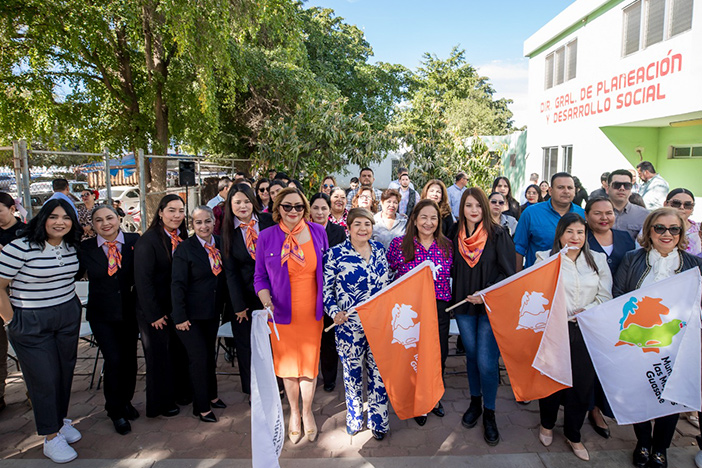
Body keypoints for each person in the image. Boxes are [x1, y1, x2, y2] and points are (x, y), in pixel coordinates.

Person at [614, 208, 702, 468]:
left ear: (681, 232)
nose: (667, 234)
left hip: (677, 343)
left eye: (674, 229)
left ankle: (661, 448)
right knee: (637, 392)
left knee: (671, 396)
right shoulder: (632, 258)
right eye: (660, 228)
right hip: (638, 344)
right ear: (649, 231)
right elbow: (618, 294)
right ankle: (642, 442)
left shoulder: (694, 264)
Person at [0, 199, 83, 463]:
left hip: (66, 315)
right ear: (42, 218)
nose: (60, 222)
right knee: (43, 379)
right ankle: (49, 436)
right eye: (54, 216)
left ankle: (59, 422)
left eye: (66, 217)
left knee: (64, 372)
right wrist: (10, 320)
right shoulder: (20, 247)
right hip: (30, 320)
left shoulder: (71, 247)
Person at [254, 187, 329, 444]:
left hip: (312, 312)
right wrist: (266, 301)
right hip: (281, 313)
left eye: (298, 206)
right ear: (278, 209)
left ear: (305, 208)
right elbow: (259, 277)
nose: (293, 211)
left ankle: (308, 413)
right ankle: (294, 414)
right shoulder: (265, 237)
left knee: (308, 367)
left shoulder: (319, 232)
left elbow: (327, 271)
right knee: (288, 369)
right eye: (287, 206)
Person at [537, 213, 612, 462]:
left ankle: (573, 433)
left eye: (580, 232)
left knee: (581, 385)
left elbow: (605, 296)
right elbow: (536, 293)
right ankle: (546, 424)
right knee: (551, 381)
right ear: (560, 234)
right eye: (570, 232)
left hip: (587, 330)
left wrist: (586, 312)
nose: (575, 237)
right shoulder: (545, 259)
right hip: (554, 330)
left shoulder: (597, 260)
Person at [451, 188, 516, 446]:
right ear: (462, 208)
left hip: (490, 307)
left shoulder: (499, 235)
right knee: (472, 356)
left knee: (488, 362)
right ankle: (474, 403)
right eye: (469, 205)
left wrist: (486, 293)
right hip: (464, 307)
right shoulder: (454, 235)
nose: (474, 210)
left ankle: (490, 412)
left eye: (479, 205)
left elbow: (508, 273)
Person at [323, 208, 392, 440]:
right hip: (348, 327)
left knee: (379, 373)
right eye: (358, 224)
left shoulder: (380, 250)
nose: (363, 229)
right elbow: (326, 292)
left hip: (379, 324)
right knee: (352, 375)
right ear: (348, 228)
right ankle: (354, 418)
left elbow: (390, 282)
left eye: (368, 224)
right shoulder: (335, 254)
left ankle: (379, 421)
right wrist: (334, 312)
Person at [387, 199, 453, 426]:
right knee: (413, 355)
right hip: (409, 311)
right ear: (414, 219)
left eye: (433, 218)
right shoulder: (399, 245)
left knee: (437, 354)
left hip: (438, 308)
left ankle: (434, 397)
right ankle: (417, 400)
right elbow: (388, 275)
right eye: (424, 217)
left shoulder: (446, 245)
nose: (429, 222)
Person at [77, 204, 140, 435]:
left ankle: (126, 401)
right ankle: (114, 410)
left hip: (129, 312)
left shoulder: (134, 241)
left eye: (109, 218)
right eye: (99, 220)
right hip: (102, 314)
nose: (105, 223)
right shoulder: (86, 248)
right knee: (113, 360)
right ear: (93, 225)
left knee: (129, 359)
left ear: (118, 219)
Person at [134, 194, 191, 419]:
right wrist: (154, 314)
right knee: (159, 357)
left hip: (174, 308)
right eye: (171, 210)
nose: (177, 215)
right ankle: (161, 403)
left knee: (177, 353)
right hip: (154, 310)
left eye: (180, 211)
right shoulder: (148, 242)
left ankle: (180, 393)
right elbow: (143, 281)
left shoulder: (181, 237)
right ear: (160, 212)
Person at [583, 197, 635, 438]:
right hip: (589, 308)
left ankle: (602, 406)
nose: (604, 217)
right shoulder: (580, 236)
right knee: (589, 363)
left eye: (609, 213)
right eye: (597, 213)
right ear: (587, 216)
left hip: (622, 309)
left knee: (610, 360)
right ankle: (589, 407)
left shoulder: (625, 238)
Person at [171, 206, 227, 423]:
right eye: (198, 222)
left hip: (211, 313)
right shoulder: (185, 249)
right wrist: (180, 316)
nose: (203, 226)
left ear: (214, 222)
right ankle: (201, 406)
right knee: (199, 359)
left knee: (209, 357)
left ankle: (212, 396)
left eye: (207, 221)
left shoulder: (220, 244)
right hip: (190, 316)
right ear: (191, 225)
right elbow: (177, 285)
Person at [221, 184, 275, 399]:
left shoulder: (269, 221)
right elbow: (230, 273)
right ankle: (252, 389)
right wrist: (238, 306)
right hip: (243, 297)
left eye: (246, 201)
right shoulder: (226, 231)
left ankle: (274, 385)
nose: (242, 206)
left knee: (271, 343)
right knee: (246, 346)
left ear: (253, 201)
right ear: (230, 205)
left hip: (272, 294)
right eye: (237, 202)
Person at [309, 193, 345, 392]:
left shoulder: (338, 231)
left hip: (332, 291)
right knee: (312, 335)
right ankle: (311, 373)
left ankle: (329, 377)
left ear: (329, 210)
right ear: (310, 210)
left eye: (324, 208)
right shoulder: (304, 231)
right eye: (316, 208)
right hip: (308, 289)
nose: (320, 212)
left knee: (329, 337)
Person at [513, 172, 585, 269]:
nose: (566, 191)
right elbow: (519, 248)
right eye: (560, 187)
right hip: (538, 274)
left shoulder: (582, 214)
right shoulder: (531, 213)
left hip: (573, 278)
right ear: (550, 191)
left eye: (570, 188)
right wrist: (518, 279)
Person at [0, 192, 25, 413]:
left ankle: (32, 392)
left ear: (11, 209)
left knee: (26, 348)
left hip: (21, 298)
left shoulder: (25, 233)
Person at [607, 169, 649, 242]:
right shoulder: (596, 213)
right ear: (607, 188)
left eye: (627, 185)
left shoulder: (644, 215)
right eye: (617, 185)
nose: (622, 188)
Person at [664, 188, 701, 257]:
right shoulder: (654, 227)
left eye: (687, 205)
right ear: (665, 204)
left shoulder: (699, 230)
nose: (682, 207)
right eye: (676, 203)